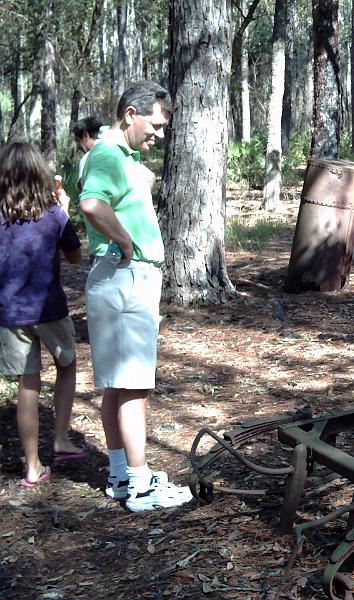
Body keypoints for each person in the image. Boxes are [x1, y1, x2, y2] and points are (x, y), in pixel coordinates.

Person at [79, 81, 192, 512]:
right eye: (156, 124)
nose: (160, 134)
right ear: (130, 113)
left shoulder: (113, 154)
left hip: (117, 278)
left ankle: (122, 474)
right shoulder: (108, 153)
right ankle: (141, 485)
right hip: (125, 275)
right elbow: (92, 205)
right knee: (134, 387)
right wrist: (126, 243)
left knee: (117, 385)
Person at [0, 142, 83, 487]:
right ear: (41, 175)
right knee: (67, 365)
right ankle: (61, 439)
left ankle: (32, 467)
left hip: (9, 313)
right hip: (48, 308)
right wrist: (64, 209)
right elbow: (76, 256)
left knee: (27, 385)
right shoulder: (53, 213)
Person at [72, 116, 104, 186]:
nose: (77, 147)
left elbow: (86, 193)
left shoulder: (87, 160)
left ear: (86, 135)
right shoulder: (118, 150)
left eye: (77, 141)